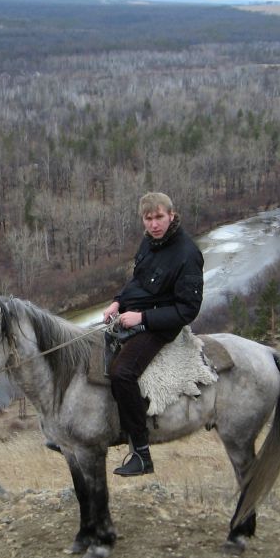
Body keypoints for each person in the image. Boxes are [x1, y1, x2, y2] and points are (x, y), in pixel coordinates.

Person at [102, 192, 204, 476]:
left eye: (159, 217)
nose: (154, 224)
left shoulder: (188, 254)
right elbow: (138, 281)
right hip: (135, 314)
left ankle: (141, 453)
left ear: (172, 215)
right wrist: (117, 302)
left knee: (122, 372)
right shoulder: (149, 244)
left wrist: (143, 318)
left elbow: (188, 310)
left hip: (161, 326)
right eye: (148, 218)